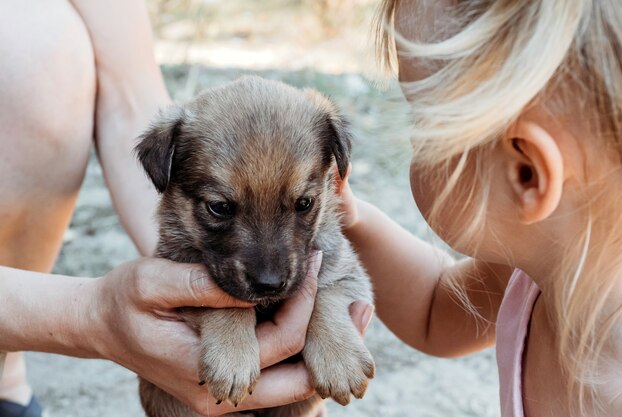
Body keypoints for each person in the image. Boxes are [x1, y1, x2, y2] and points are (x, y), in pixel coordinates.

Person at [0, 2, 372, 417]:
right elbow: (174, 288)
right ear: (166, 176)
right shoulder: (172, 149)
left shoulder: (321, 165)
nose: (270, 269)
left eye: (303, 205)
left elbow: (347, 282)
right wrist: (220, 319)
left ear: (333, 175)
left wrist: (330, 325)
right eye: (220, 209)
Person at [340, 0, 622, 416]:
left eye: (423, 126)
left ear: (526, 174)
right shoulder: (539, 274)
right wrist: (353, 217)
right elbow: (434, 308)